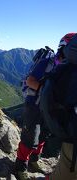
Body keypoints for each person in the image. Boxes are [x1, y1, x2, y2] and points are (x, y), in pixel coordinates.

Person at [15, 46, 58, 179]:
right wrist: (48, 91)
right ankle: (20, 167)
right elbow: (30, 81)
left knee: (43, 135)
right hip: (34, 104)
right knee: (30, 137)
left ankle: (34, 161)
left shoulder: (66, 66)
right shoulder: (47, 62)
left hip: (48, 107)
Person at [40, 33, 77, 180]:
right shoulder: (59, 67)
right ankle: (23, 164)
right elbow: (30, 81)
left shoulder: (66, 69)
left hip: (70, 136)